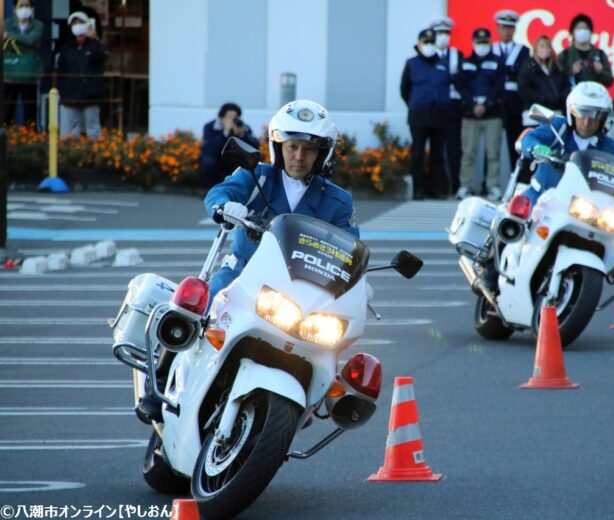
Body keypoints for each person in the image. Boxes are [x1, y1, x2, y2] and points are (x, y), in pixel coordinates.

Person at [137, 100, 357, 423]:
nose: (298, 156)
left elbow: (350, 246)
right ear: (278, 146)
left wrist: (357, 281)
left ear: (322, 154)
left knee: (331, 337)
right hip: (244, 272)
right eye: (292, 146)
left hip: (302, 291)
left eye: (309, 150)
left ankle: (315, 398)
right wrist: (226, 206)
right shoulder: (258, 177)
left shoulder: (338, 200)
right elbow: (218, 193)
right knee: (202, 302)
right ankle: (159, 380)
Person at [521, 81, 614, 207]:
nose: (586, 122)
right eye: (582, 113)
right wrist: (535, 147)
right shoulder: (558, 127)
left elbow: (613, 181)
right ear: (571, 113)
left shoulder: (610, 148)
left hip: (583, 208)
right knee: (517, 218)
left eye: (595, 114)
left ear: (604, 118)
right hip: (541, 197)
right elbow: (530, 138)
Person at [455, 28, 505, 201]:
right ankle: (465, 186)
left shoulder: (498, 62)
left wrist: (486, 104)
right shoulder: (465, 62)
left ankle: (493, 187)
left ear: (490, 43)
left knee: (493, 153)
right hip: (470, 114)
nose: (482, 46)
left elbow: (499, 86)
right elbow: (460, 86)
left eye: (485, 42)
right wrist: (473, 104)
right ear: (473, 43)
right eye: (479, 43)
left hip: (492, 114)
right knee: (468, 152)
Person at [400, 28, 450, 200]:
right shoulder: (411, 63)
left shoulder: (444, 62)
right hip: (419, 115)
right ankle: (419, 190)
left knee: (437, 154)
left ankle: (435, 190)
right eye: (425, 42)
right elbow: (404, 89)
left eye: (431, 42)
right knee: (418, 154)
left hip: (439, 115)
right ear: (419, 44)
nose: (429, 45)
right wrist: (414, 104)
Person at [516, 35, 570, 183]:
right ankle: (525, 182)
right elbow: (524, 89)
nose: (545, 50)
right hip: (533, 116)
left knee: (553, 153)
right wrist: (544, 99)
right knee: (531, 150)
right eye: (541, 46)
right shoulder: (528, 67)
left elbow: (564, 88)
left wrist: (558, 99)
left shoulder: (556, 68)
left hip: (554, 117)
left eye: (547, 47)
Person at [55, 11, 108, 139]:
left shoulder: (94, 44)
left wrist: (95, 39)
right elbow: (60, 70)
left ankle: (94, 156)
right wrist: (61, 91)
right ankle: (73, 155)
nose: (77, 26)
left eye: (81, 23)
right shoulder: (67, 47)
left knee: (92, 127)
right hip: (71, 94)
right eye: (74, 23)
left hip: (91, 94)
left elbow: (103, 55)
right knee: (73, 129)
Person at [492, 10, 529, 170]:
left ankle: (517, 181)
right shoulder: (491, 49)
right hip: (494, 103)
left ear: (514, 30)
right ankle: (490, 185)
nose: (506, 31)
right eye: (503, 27)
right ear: (498, 29)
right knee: (491, 147)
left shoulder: (523, 50)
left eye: (510, 27)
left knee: (515, 145)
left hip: (514, 104)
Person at [430, 17, 464, 195]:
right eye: (439, 33)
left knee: (454, 148)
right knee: (436, 148)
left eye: (446, 33)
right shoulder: (428, 54)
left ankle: (456, 185)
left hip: (453, 105)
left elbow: (460, 80)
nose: (443, 37)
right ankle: (438, 186)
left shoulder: (456, 54)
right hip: (434, 106)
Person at [199, 102, 260, 189]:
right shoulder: (210, 127)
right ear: (222, 117)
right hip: (217, 158)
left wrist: (242, 135)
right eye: (229, 117)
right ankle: (209, 188)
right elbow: (210, 148)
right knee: (208, 162)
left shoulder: (243, 127)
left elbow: (254, 146)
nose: (232, 120)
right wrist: (225, 133)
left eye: (234, 117)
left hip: (234, 158)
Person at [3, 0, 44, 126]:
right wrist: (26, 44)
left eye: (27, 6)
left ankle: (30, 140)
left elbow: (32, 40)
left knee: (30, 113)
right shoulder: (6, 24)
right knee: (6, 112)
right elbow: (6, 46)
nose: (24, 8)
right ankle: (8, 141)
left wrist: (10, 36)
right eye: (21, 5)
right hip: (10, 75)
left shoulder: (37, 25)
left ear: (32, 8)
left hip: (29, 75)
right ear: (15, 8)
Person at [557, 13, 614, 88]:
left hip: (594, 96)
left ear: (591, 32)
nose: (583, 31)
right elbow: (556, 81)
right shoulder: (565, 55)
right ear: (573, 32)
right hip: (573, 97)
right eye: (579, 28)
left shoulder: (600, 54)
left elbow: (610, 81)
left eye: (586, 28)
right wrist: (571, 72)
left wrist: (600, 72)